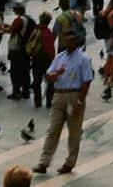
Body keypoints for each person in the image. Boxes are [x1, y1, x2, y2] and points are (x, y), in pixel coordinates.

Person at [34, 33, 93, 175]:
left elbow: (87, 80)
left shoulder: (83, 59)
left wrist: (80, 100)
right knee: (53, 129)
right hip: (59, 94)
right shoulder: (59, 57)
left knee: (74, 132)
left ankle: (69, 163)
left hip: (74, 94)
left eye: (71, 41)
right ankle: (44, 162)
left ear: (76, 42)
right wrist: (56, 74)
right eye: (66, 40)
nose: (67, 43)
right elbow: (48, 76)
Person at [29, 11, 55, 109]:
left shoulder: (35, 31)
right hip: (47, 60)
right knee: (50, 82)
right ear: (48, 22)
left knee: (37, 81)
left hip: (36, 58)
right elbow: (50, 48)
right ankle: (49, 101)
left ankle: (37, 101)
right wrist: (53, 59)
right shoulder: (47, 32)